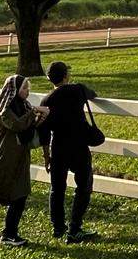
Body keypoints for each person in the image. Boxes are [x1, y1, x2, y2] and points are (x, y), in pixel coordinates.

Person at [0, 75, 48, 246]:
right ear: (14, 90)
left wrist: (39, 119)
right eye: (24, 88)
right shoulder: (6, 111)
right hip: (3, 157)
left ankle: (9, 233)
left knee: (20, 194)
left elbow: (28, 128)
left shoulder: (25, 106)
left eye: (28, 88)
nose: (27, 91)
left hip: (19, 157)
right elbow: (17, 125)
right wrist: (33, 113)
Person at [37, 61, 100, 243]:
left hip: (58, 148)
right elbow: (93, 95)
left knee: (57, 189)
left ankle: (58, 228)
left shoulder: (46, 101)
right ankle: (75, 227)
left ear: (50, 79)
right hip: (78, 146)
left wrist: (46, 156)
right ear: (66, 76)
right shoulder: (77, 90)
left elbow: (44, 132)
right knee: (84, 186)